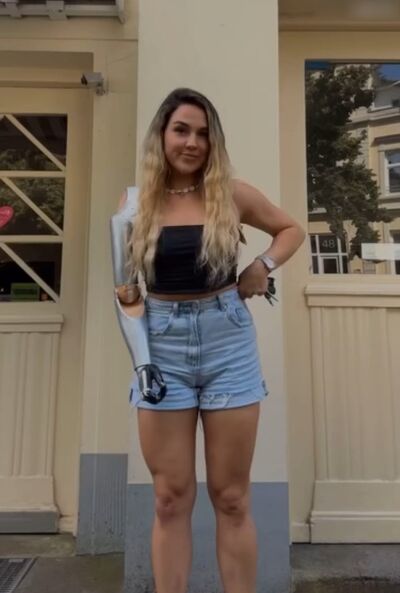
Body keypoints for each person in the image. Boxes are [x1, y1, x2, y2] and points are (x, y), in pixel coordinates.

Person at [112, 88, 305, 593]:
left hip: (227, 345)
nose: (192, 142)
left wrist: (261, 265)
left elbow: (290, 229)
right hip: (162, 348)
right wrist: (142, 362)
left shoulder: (232, 195)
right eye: (181, 130)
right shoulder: (134, 204)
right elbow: (126, 294)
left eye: (202, 133)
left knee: (232, 497)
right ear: (162, 135)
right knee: (169, 498)